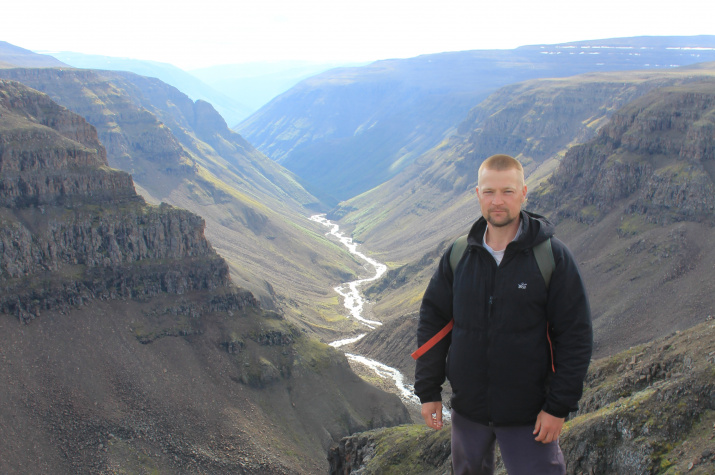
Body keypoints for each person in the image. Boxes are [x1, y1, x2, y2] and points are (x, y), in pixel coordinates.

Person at [414, 154, 593, 474]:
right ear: (477, 194)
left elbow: (575, 336)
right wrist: (428, 391)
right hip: (468, 412)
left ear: (523, 193)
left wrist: (558, 407)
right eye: (489, 192)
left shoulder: (551, 257)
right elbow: (434, 322)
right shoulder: (459, 254)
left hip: (530, 416)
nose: (497, 201)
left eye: (507, 191)